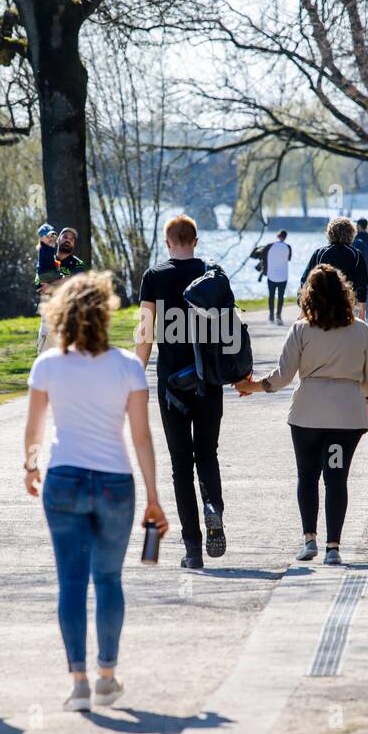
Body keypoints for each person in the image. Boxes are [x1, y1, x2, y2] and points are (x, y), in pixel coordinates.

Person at [24, 272, 168, 712]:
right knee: (107, 579)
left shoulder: (48, 365)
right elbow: (141, 437)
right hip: (114, 483)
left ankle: (79, 682)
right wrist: (153, 495)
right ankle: (107, 675)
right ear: (107, 314)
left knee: (70, 581)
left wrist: (30, 465)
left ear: (61, 315)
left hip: (64, 478)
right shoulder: (128, 366)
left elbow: (34, 429)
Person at [235, 264, 368, 565]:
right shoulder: (361, 330)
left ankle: (309, 539)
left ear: (308, 295)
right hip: (346, 416)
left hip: (307, 415)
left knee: (308, 476)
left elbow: (283, 376)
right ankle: (334, 547)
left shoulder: (300, 329)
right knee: (337, 480)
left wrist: (252, 386)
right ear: (345, 294)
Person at [136, 215, 230, 569]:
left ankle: (192, 549)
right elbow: (228, 331)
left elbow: (146, 334)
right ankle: (213, 507)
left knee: (180, 464)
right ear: (196, 240)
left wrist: (134, 375)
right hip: (209, 382)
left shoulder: (154, 278)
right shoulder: (213, 275)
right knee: (208, 453)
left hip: (172, 385)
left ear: (167, 242)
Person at [301, 217, 368, 318]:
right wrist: (362, 315)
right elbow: (363, 284)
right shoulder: (356, 254)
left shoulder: (320, 253)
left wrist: (303, 309)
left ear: (330, 233)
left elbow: (306, 280)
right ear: (351, 233)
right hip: (347, 305)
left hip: (323, 304)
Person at [35, 226, 87, 350]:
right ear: (58, 240)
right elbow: (40, 285)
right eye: (65, 236)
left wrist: (52, 286)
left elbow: (74, 281)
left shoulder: (78, 264)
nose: (68, 239)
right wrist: (61, 283)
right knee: (46, 361)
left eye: (72, 239)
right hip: (49, 318)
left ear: (74, 245)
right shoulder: (46, 259)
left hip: (71, 317)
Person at [266, 229, 293, 323]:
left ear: (278, 236)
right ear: (285, 237)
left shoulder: (270, 246)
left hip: (271, 275)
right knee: (281, 296)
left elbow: (263, 255)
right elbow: (289, 259)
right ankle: (278, 316)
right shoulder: (288, 247)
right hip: (283, 276)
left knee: (271, 295)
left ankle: (271, 316)